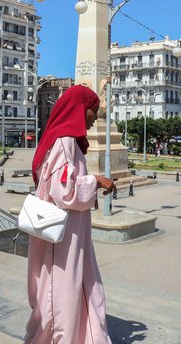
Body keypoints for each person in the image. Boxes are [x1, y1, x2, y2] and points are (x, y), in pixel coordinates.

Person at [26, 84, 116, 344]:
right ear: (80, 109)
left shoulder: (65, 140)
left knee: (78, 289)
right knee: (61, 296)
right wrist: (96, 180)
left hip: (72, 235)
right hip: (62, 241)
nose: (96, 117)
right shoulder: (64, 140)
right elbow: (63, 190)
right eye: (94, 110)